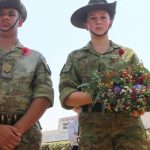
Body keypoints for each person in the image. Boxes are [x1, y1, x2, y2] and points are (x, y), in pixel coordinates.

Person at [59, 0, 149, 149]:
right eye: (92, 18)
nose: (98, 22)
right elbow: (67, 96)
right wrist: (104, 94)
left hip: (130, 131)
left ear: (110, 23)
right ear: (86, 24)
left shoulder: (127, 54)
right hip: (93, 133)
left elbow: (144, 89)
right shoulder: (75, 57)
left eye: (103, 17)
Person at [0, 0, 54, 150]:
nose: (5, 17)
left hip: (26, 137)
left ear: (20, 22)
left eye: (11, 14)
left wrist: (15, 132)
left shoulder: (35, 57)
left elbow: (44, 96)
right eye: (1, 14)